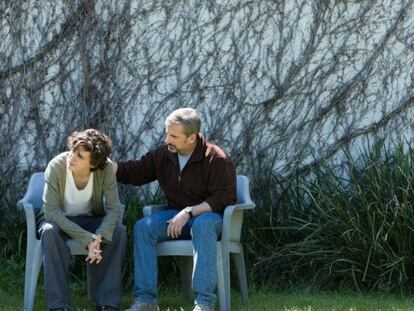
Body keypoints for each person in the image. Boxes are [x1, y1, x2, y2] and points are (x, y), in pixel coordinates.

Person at [115, 108, 237, 311]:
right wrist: (112, 167)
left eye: (173, 136)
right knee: (143, 228)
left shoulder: (215, 158)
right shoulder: (164, 154)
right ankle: (145, 301)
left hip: (210, 216)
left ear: (192, 138)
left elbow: (225, 197)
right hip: (176, 215)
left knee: (203, 225)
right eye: (167, 133)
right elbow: (137, 171)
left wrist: (189, 211)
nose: (167, 140)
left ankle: (204, 302)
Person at [39, 129, 127, 311]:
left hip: (89, 219)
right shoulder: (56, 166)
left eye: (79, 156)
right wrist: (88, 239)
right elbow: (51, 212)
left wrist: (100, 236)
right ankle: (58, 306)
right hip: (58, 221)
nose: (71, 157)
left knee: (118, 230)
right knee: (48, 232)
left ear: (93, 163)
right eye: (72, 151)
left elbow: (114, 208)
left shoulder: (106, 169)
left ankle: (107, 303)